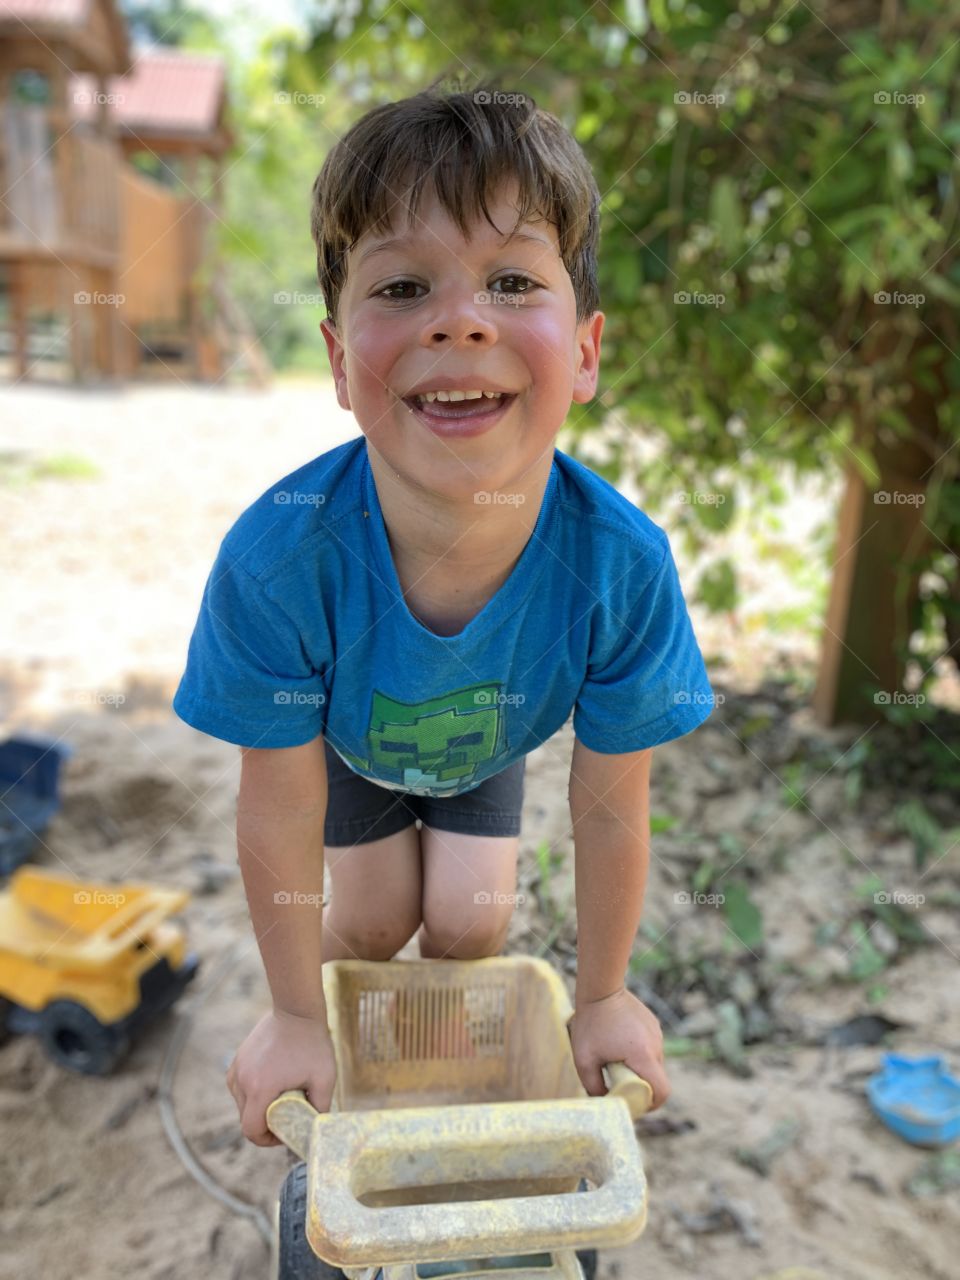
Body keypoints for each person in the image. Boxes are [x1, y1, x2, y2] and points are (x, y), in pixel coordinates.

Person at [172, 82, 716, 1146]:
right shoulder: (279, 561)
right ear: (338, 360)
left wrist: (602, 994)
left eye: (512, 280)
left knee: (470, 923)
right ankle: (337, 1050)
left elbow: (610, 807)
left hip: (484, 738)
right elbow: (276, 809)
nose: (460, 318)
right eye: (406, 284)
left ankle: (442, 1079)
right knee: (373, 922)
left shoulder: (620, 567)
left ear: (589, 350)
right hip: (352, 743)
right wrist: (290, 1015)